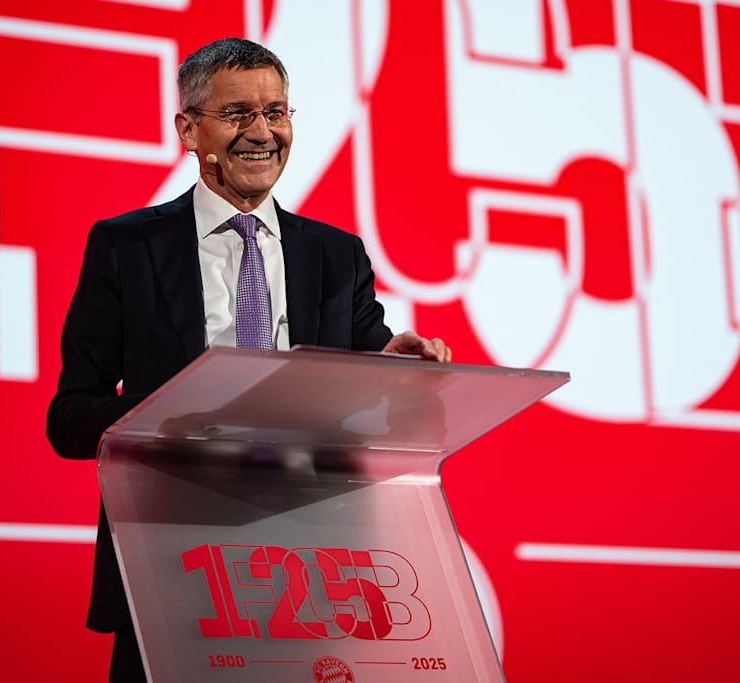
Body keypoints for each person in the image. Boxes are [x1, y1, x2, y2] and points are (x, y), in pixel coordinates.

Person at [46, 37, 451, 683]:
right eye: (238, 114)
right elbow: (69, 417)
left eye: (277, 112)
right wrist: (172, 422)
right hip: (170, 565)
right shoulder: (127, 246)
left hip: (310, 579)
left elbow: (371, 382)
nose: (262, 132)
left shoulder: (336, 255)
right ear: (188, 127)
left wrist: (399, 369)